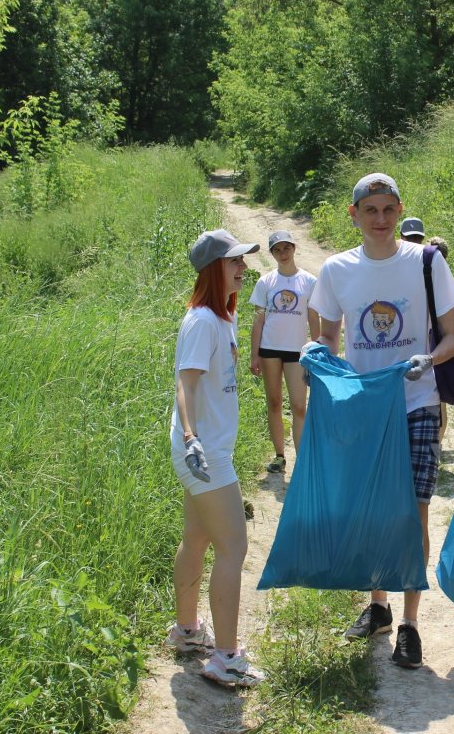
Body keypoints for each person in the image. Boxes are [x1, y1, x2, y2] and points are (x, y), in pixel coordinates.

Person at [308, 172, 454, 670]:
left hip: (416, 401)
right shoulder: (335, 271)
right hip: (365, 408)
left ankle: (410, 625)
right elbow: (328, 341)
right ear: (353, 215)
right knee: (374, 512)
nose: (380, 219)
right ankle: (378, 605)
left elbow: (452, 337)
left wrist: (430, 361)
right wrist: (321, 368)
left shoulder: (425, 262)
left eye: (388, 210)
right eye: (370, 210)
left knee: (412, 513)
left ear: (400, 212)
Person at [165, 228, 266, 688]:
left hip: (207, 449)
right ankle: (226, 657)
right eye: (234, 262)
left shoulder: (221, 318)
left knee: (198, 538)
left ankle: (186, 632)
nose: (243, 268)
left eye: (242, 261)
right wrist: (190, 438)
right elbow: (185, 386)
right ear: (213, 270)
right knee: (234, 548)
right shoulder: (203, 321)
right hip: (203, 452)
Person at [248, 230, 320, 474]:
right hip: (269, 349)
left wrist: (317, 349)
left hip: (296, 351)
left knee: (299, 405)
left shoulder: (309, 281)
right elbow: (258, 320)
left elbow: (313, 317)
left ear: (294, 248)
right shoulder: (266, 282)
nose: (283, 253)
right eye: (277, 250)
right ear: (272, 253)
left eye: (286, 248)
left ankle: (302, 459)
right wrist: (254, 354)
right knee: (275, 402)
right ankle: (279, 455)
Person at [426, 235, 454, 445]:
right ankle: (438, 445)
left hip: (438, 345)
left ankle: (437, 445)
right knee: (439, 397)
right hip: (446, 344)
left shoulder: (428, 282)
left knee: (438, 397)